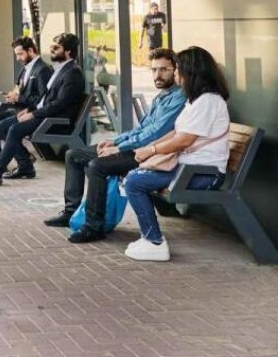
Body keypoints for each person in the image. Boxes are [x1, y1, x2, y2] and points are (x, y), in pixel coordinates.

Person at [43, 48, 186, 242]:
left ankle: (94, 226)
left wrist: (120, 148)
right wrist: (115, 141)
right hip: (135, 148)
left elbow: (156, 134)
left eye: (163, 70)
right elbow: (141, 128)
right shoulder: (162, 96)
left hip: (149, 154)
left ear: (175, 70)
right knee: (74, 155)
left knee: (97, 166)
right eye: (153, 70)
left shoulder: (178, 98)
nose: (157, 75)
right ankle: (70, 212)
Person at [122, 46, 231, 261]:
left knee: (134, 182)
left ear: (192, 72)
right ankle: (149, 239)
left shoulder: (208, 101)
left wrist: (151, 149)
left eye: (179, 68)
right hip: (187, 168)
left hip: (202, 174)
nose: (177, 73)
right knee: (135, 176)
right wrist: (147, 150)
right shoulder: (195, 100)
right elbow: (176, 132)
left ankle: (154, 242)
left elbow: (184, 140)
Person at [0, 32, 86, 185]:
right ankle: (25, 166)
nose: (52, 50)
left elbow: (60, 104)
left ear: (68, 51)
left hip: (56, 120)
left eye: (56, 48)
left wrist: (33, 114)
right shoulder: (60, 69)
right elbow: (44, 98)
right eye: (51, 47)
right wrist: (30, 109)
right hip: (45, 115)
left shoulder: (73, 73)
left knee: (15, 129)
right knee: (3, 125)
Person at [0, 37, 52, 158]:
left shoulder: (43, 69)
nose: (18, 58)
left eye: (20, 54)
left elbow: (42, 99)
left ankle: (24, 160)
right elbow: (19, 90)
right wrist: (12, 96)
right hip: (21, 111)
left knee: (3, 126)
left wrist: (18, 99)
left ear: (30, 50)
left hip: (33, 113)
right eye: (16, 55)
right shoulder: (26, 69)